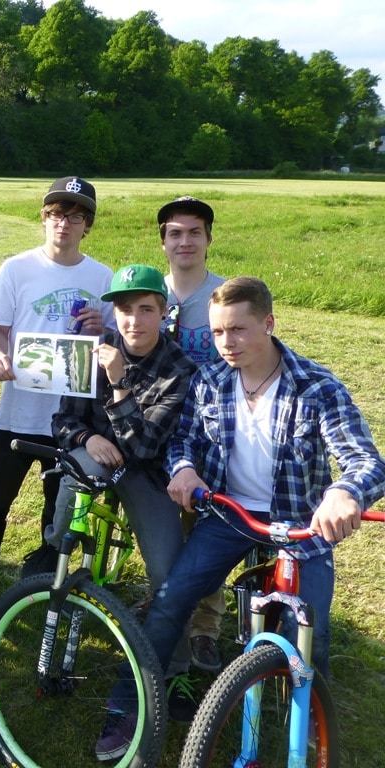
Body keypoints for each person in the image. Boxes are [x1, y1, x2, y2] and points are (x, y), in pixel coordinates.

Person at [96, 276, 385, 762]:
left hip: (300, 521)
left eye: (238, 330)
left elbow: (365, 461)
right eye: (217, 333)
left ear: (269, 323)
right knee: (170, 600)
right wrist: (184, 469)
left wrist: (343, 492)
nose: (227, 343)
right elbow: (185, 438)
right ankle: (132, 703)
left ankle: (313, 708)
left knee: (310, 625)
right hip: (229, 513)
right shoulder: (210, 381)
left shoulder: (317, 386)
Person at [0, 176, 114, 621]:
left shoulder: (102, 277)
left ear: (87, 225)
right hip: (20, 411)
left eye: (74, 215)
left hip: (72, 419)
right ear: (44, 218)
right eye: (56, 213)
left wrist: (103, 330)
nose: (64, 222)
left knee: (58, 506)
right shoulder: (17, 268)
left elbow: (113, 348)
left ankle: (42, 573)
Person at [51, 264, 198, 724]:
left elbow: (145, 447)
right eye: (124, 310)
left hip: (146, 472)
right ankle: (57, 582)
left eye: (145, 309)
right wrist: (84, 439)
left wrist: (117, 383)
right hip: (95, 455)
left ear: (164, 312)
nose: (133, 320)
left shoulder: (179, 369)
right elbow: (63, 420)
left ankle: (176, 668)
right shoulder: (90, 351)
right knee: (62, 532)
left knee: (168, 572)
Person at [159, 195, 228, 672]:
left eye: (194, 232)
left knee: (208, 529)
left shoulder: (227, 295)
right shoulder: (149, 294)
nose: (185, 241)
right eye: (175, 232)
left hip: (212, 431)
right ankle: (162, 605)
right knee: (164, 530)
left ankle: (206, 626)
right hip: (159, 429)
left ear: (207, 238)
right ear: (163, 241)